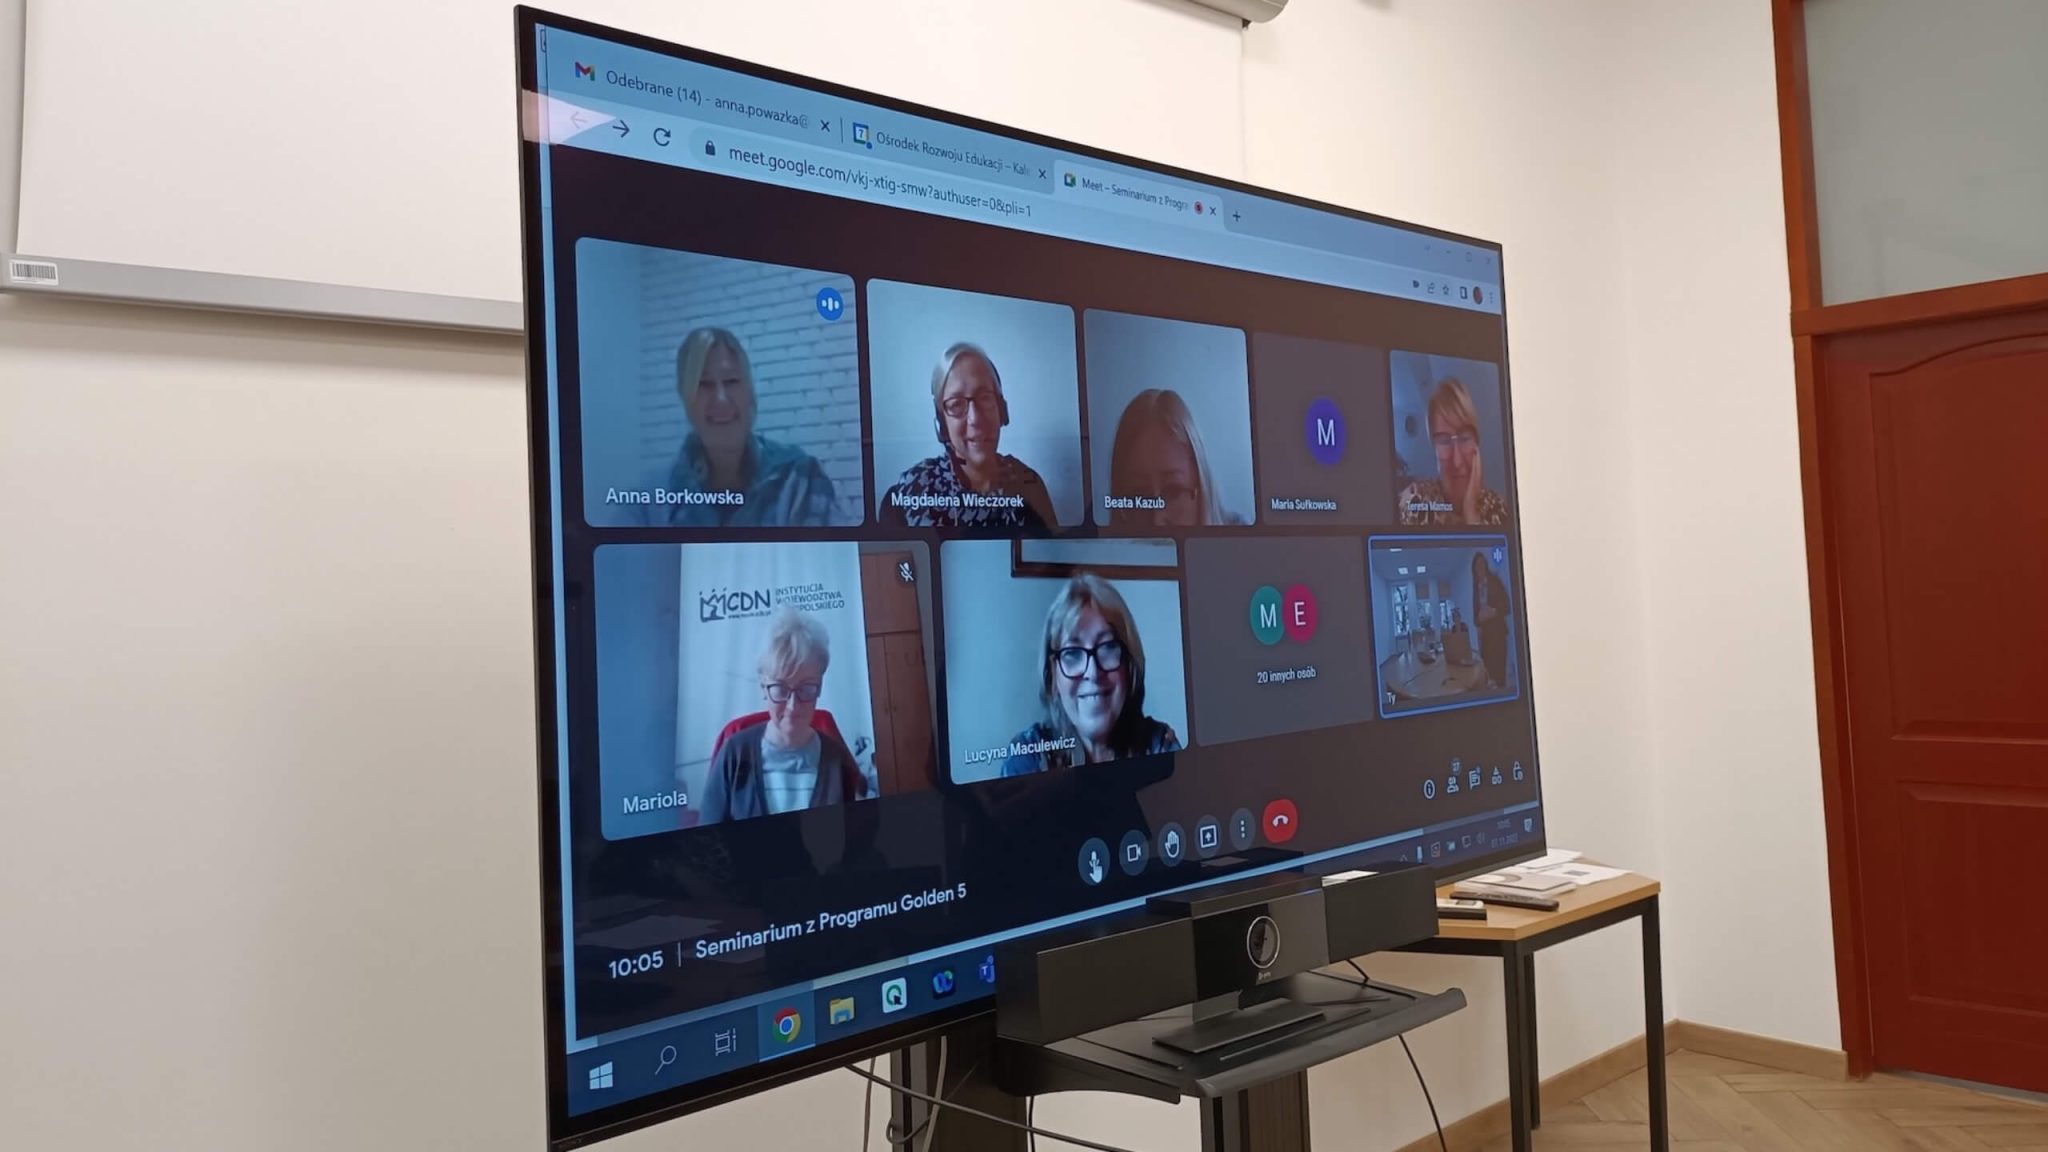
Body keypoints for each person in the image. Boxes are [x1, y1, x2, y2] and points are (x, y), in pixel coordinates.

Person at [650, 327, 839, 527]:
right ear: (685, 397)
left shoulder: (798, 478)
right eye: (704, 384)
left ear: (749, 391)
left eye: (731, 381)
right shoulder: (651, 501)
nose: (721, 399)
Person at [697, 611, 868, 822]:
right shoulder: (734, 755)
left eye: (806, 688)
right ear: (763, 687)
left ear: (820, 687)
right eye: (780, 689)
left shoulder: (837, 760)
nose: (792, 706)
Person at [1002, 574, 1181, 776]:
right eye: (1072, 653)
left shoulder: (1159, 744)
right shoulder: (1027, 756)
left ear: (1129, 665)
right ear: (1053, 675)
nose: (1093, 673)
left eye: (1108, 647)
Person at [879, 343, 1057, 529]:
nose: (975, 419)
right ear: (942, 422)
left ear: (1001, 410)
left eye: (985, 398)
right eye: (956, 404)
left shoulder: (1029, 485)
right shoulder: (910, 494)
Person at [1107, 388, 1241, 527]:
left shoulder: (1242, 537)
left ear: (1201, 489)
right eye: (1139, 495)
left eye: (1173, 492)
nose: (1157, 521)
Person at [1397, 376, 1508, 526]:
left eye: (1465, 438)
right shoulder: (1415, 502)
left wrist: (1470, 513)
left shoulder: (1499, 508)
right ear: (1434, 448)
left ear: (1477, 443)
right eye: (1444, 441)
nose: (1457, 462)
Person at [1470, 551, 1512, 691]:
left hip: (1498, 634)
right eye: (1477, 566)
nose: (1480, 568)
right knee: (1488, 677)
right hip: (1485, 639)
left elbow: (1507, 606)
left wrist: (1492, 612)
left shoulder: (1495, 581)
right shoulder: (1475, 588)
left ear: (1486, 566)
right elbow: (1475, 618)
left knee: (1499, 675)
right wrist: (1479, 619)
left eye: (1482, 564)